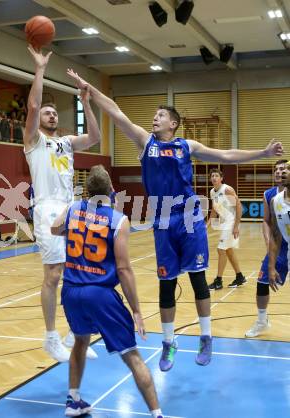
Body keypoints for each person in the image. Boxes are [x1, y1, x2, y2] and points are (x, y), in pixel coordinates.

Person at [66, 69, 284, 371]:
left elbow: (226, 155)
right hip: (163, 218)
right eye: (153, 116)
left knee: (197, 279)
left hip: (190, 217)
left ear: (173, 123)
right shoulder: (145, 143)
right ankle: (169, 342)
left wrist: (261, 152)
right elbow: (116, 113)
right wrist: (88, 87)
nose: (154, 119)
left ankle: (206, 338)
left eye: (160, 116)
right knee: (166, 284)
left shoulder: (187, 146)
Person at [51, 165, 164, 418]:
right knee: (132, 355)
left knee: (80, 340)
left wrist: (76, 211)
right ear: (111, 190)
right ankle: (157, 414)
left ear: (86, 191)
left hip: (71, 292)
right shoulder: (118, 220)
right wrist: (136, 310)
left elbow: (54, 229)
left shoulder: (73, 209)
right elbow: (123, 269)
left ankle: (73, 399)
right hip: (99, 295)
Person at [24, 45, 100, 362]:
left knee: (78, 271)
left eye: (55, 112)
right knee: (53, 275)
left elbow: (95, 137)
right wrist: (40, 69)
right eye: (47, 112)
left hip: (72, 208)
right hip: (47, 209)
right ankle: (51, 337)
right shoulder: (33, 140)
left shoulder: (66, 141)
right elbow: (32, 104)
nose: (52, 114)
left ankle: (76, 332)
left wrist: (86, 102)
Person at [245, 159, 288, 337]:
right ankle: (262, 321)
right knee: (263, 281)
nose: (280, 172)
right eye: (277, 170)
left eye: (284, 169)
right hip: (280, 246)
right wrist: (268, 242)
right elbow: (268, 222)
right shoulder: (272, 196)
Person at [207, 169, 246, 290]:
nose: (214, 178)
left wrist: (236, 226)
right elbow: (214, 209)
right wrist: (207, 224)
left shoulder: (227, 189)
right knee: (228, 250)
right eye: (212, 176)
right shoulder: (212, 192)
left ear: (221, 178)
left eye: (216, 176)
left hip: (231, 222)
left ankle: (218, 281)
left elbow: (239, 206)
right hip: (224, 223)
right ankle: (240, 277)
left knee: (221, 250)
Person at [267, 163, 290, 296]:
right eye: (284, 169)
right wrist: (271, 266)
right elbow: (275, 236)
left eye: (288, 170)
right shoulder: (275, 201)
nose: (283, 172)